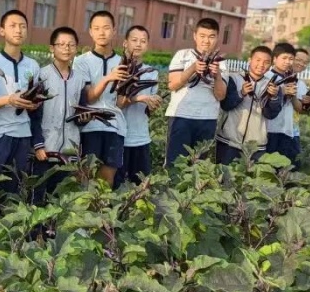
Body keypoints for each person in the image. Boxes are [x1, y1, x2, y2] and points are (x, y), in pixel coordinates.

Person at [0, 10, 40, 195]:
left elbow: (36, 100)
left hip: (23, 136)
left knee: (14, 192)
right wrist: (8, 99)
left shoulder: (33, 65)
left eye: (22, 26)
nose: (18, 30)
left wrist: (34, 104)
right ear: (2, 31)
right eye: (13, 26)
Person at [29, 26, 90, 204]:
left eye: (71, 44)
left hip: (69, 151)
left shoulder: (80, 79)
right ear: (52, 48)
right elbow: (33, 114)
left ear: (76, 48)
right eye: (61, 44)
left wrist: (84, 119)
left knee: (63, 199)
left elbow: (81, 112)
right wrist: (38, 144)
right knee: (38, 198)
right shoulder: (42, 76)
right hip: (45, 150)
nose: (66, 48)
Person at [73, 11, 128, 187]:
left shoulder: (123, 62)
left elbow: (120, 102)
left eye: (106, 28)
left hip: (115, 126)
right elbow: (88, 98)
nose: (101, 32)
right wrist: (108, 78)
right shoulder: (81, 61)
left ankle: (103, 206)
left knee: (107, 179)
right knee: (85, 175)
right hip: (89, 126)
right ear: (90, 32)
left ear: (114, 31)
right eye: (96, 28)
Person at [165, 18, 228, 166]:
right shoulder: (182, 55)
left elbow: (220, 95)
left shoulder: (221, 63)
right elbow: (173, 85)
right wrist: (193, 68)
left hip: (208, 119)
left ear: (217, 38)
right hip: (180, 116)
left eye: (211, 36)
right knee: (175, 164)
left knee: (200, 166)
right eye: (202, 36)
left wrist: (217, 75)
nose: (206, 40)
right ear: (195, 36)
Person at [215, 46, 282, 164]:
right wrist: (241, 93)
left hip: (256, 146)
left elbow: (271, 114)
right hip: (228, 142)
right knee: (223, 174)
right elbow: (226, 105)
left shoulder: (273, 87)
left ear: (270, 66)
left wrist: (273, 97)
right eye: (258, 60)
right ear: (250, 60)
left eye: (266, 62)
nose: (261, 65)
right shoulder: (234, 78)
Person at [115, 26, 162, 185]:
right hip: (119, 138)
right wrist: (139, 98)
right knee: (117, 187)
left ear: (147, 45)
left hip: (141, 138)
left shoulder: (152, 73)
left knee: (140, 187)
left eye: (143, 41)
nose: (138, 44)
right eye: (134, 40)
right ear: (125, 43)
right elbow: (117, 103)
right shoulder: (118, 70)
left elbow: (148, 110)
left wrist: (153, 104)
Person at [264, 42, 304, 167]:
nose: (287, 62)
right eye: (284, 58)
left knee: (285, 168)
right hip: (270, 130)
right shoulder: (266, 77)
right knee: (268, 166)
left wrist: (292, 95)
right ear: (275, 59)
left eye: (291, 59)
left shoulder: (292, 79)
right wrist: (281, 91)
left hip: (287, 130)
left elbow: (299, 106)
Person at [291, 48, 310, 161]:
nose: (301, 64)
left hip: (294, 132)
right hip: (275, 130)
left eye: (305, 62)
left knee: (293, 165)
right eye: (298, 60)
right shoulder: (277, 79)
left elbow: (301, 109)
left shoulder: (301, 84)